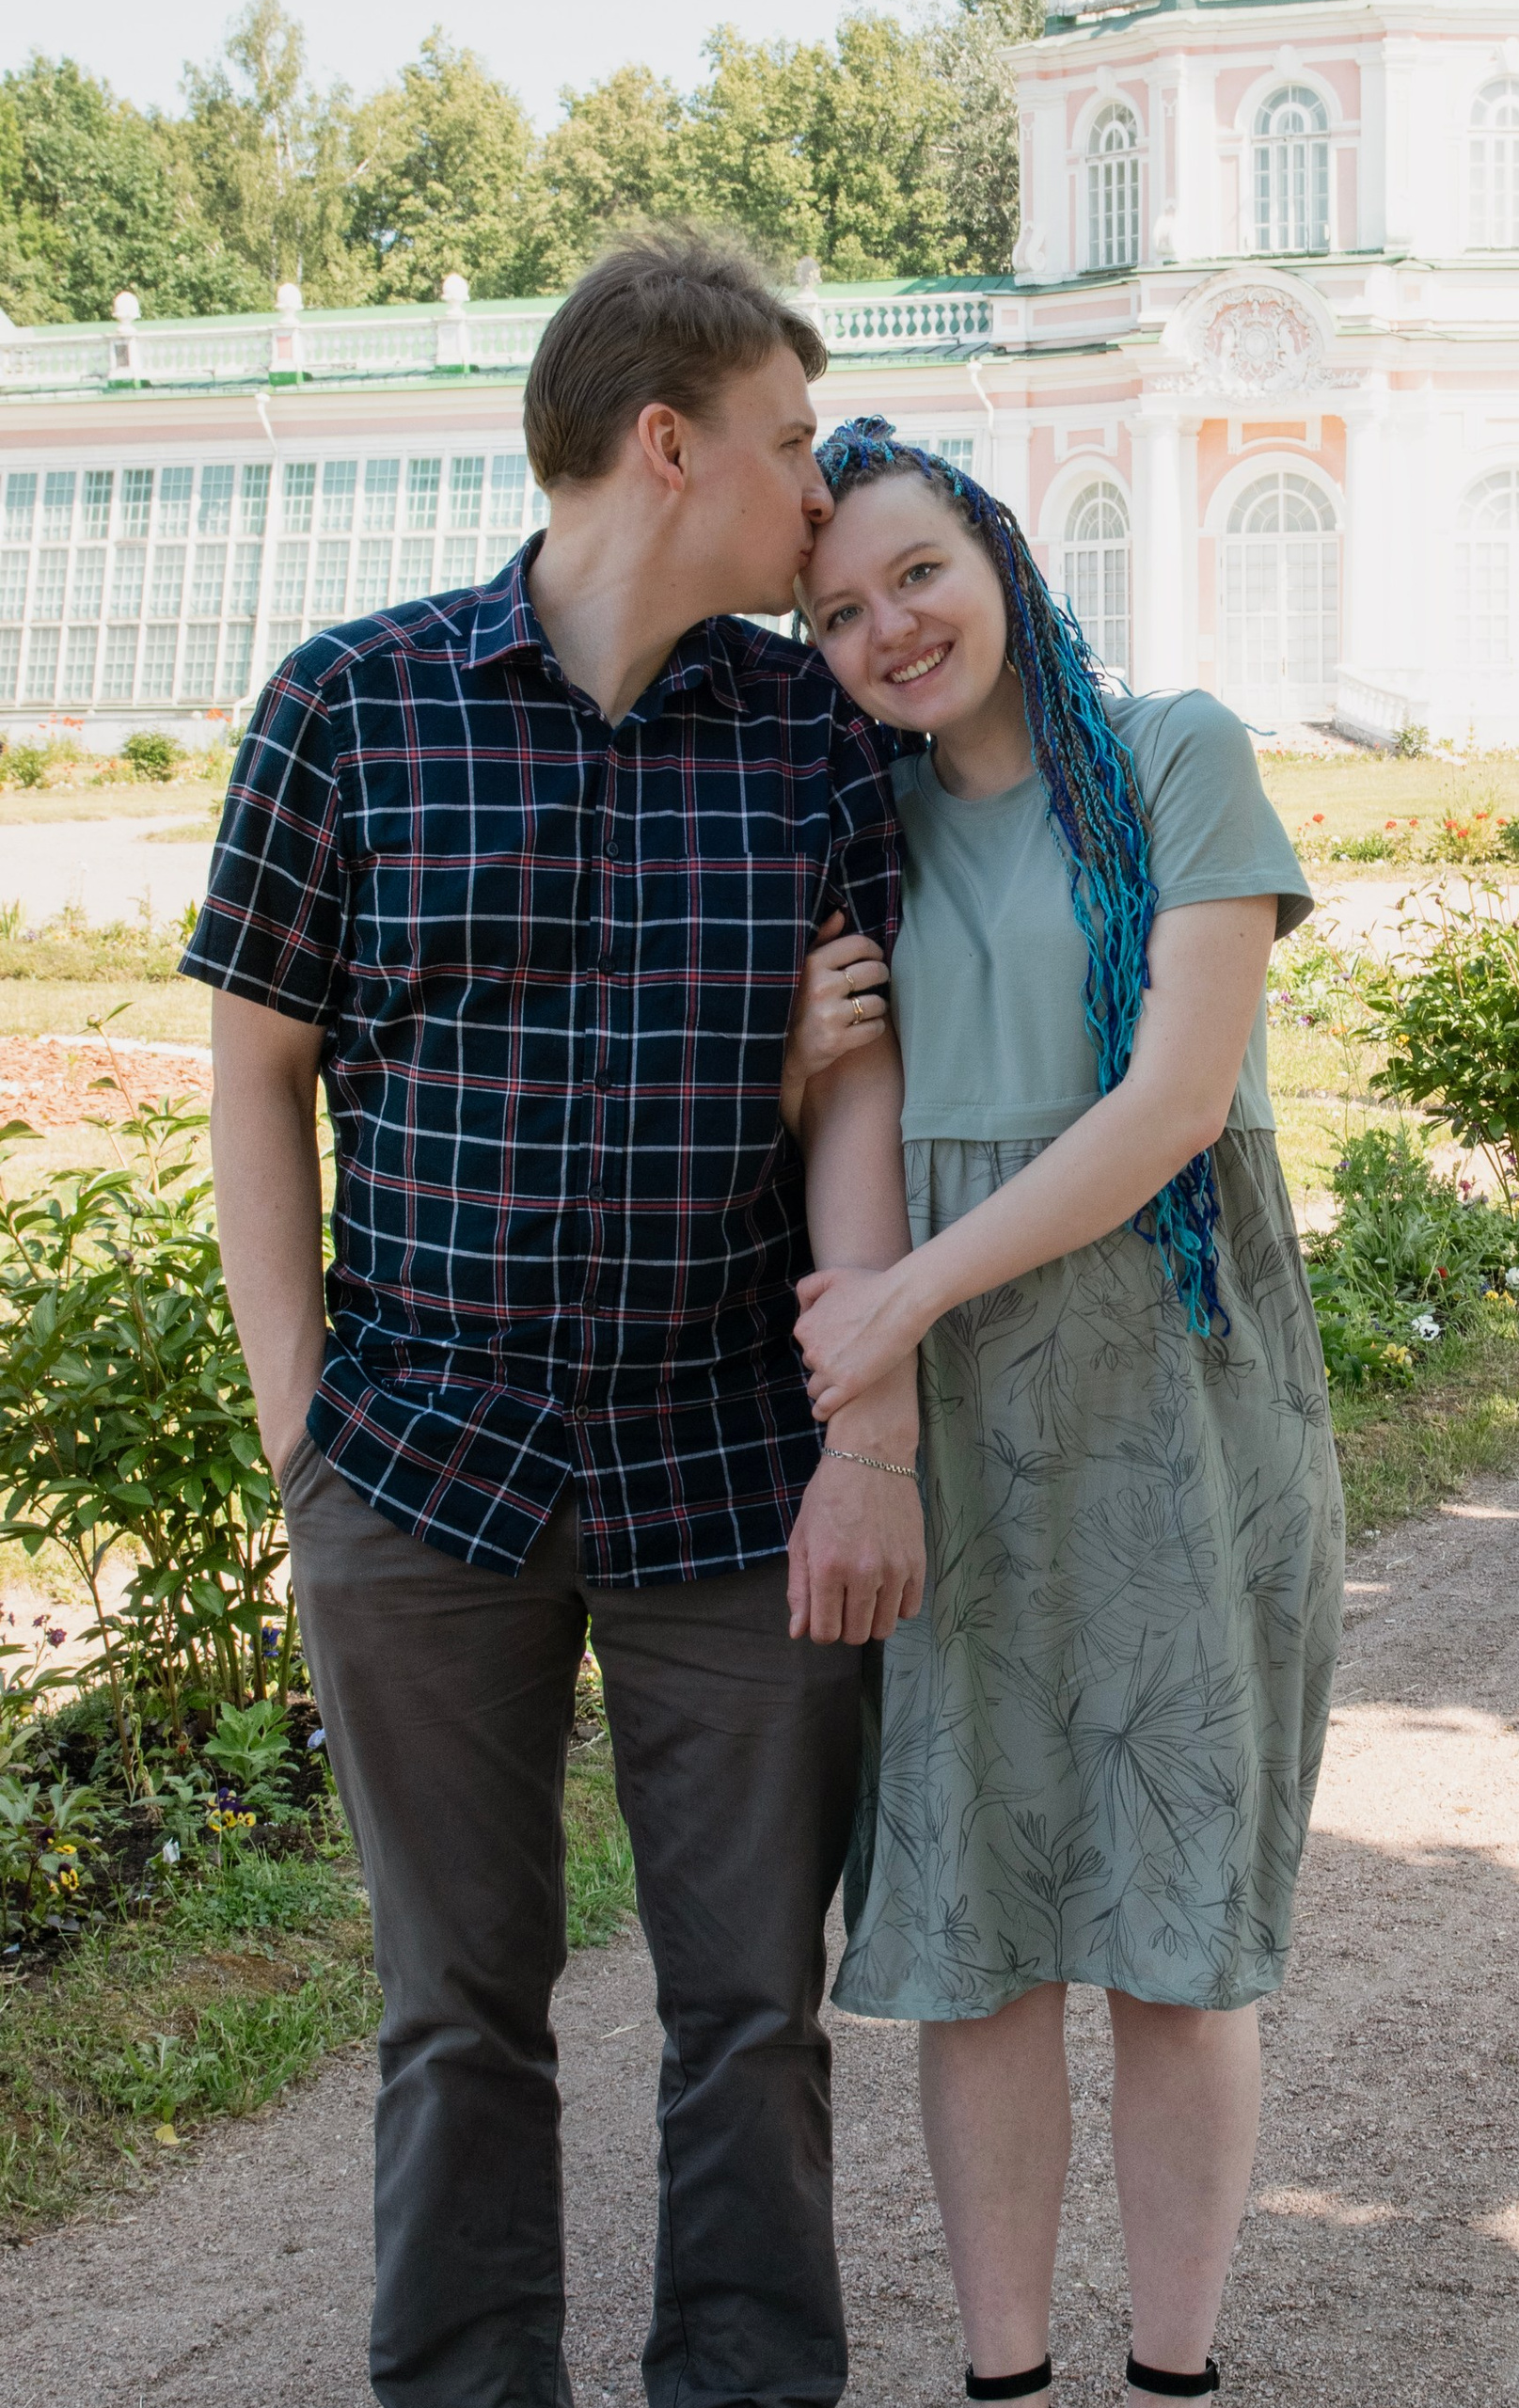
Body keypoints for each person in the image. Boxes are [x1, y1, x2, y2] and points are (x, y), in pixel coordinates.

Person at [189, 237, 923, 2408]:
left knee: (749, 2006)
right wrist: (295, 1419)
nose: (822, 495)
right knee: (456, 2003)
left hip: (722, 1463)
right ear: (666, 443)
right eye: (791, 447)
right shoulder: (352, 700)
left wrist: (862, 1429)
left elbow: (861, 1070)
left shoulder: (806, 729)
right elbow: (254, 1063)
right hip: (418, 1463)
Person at [782, 420, 1346, 2407]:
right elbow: (843, 1119)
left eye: (914, 572)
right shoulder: (851, 824)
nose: (887, 628)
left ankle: (1172, 2372)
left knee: (1176, 1912)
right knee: (972, 1904)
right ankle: (1003, 2376)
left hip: (1170, 1368)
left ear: (996, 552)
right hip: (943, 1412)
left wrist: (903, 1300)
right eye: (837, 610)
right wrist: (798, 1079)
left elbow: (1174, 1101)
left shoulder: (1175, 753)